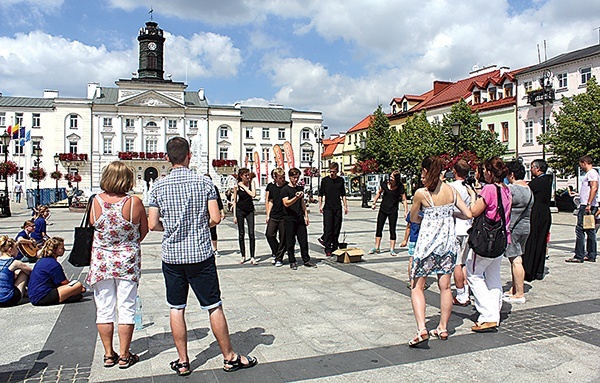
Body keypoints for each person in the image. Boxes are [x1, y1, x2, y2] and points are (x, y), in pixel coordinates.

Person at [148, 137, 257, 377]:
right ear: (189, 156)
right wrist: (197, 227)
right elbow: (216, 218)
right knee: (213, 305)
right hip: (200, 254)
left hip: (173, 257)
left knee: (176, 307)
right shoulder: (204, 183)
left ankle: (183, 360)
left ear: (167, 158)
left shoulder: (158, 187)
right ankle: (229, 357)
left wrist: (174, 228)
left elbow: (152, 223)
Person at [87, 161, 148, 369]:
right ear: (127, 179)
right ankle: (124, 354)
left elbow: (93, 225)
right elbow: (143, 231)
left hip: (101, 261)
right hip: (127, 261)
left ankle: (107, 354)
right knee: (127, 307)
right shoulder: (134, 203)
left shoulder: (95, 201)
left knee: (103, 308)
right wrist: (127, 242)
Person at [408, 156, 472, 346]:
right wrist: (451, 213)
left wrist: (426, 218)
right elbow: (467, 214)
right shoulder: (451, 191)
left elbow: (413, 218)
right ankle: (443, 327)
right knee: (445, 287)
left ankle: (422, 328)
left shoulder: (422, 193)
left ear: (426, 171)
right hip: (447, 245)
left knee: (417, 286)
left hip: (427, 246)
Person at [467, 157, 512, 333]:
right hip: (501, 238)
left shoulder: (489, 189)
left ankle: (487, 315)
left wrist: (472, 196)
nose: (483, 173)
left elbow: (474, 211)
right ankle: (494, 313)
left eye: (485, 170)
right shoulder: (506, 189)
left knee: (473, 273)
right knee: (493, 276)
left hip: (486, 240)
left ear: (491, 173)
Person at [503, 160, 533, 304]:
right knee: (517, 256)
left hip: (513, 227)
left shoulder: (512, 189)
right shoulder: (528, 189)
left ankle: (519, 293)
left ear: (512, 174)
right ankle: (514, 289)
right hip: (526, 226)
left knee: (515, 259)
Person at [28, 237, 85, 306]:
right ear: (54, 250)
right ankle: (67, 296)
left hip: (34, 296)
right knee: (77, 285)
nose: (64, 250)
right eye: (62, 248)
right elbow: (64, 282)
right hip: (44, 296)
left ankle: (68, 296)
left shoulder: (42, 260)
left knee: (75, 291)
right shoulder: (53, 264)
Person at [449, 160, 474, 306]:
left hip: (455, 227)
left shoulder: (451, 187)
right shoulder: (469, 187)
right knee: (464, 262)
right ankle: (466, 291)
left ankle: (460, 294)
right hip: (468, 226)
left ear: (455, 171)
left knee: (456, 263)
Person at [282, 167, 317, 269]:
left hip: (299, 217)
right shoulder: (285, 189)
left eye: (297, 177)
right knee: (290, 241)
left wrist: (306, 215)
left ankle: (306, 259)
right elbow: (286, 203)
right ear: (290, 177)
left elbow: (302, 203)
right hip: (289, 218)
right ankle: (292, 261)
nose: (296, 179)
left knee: (303, 240)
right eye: (294, 177)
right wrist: (295, 197)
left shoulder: (299, 188)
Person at [523, 159, 552, 279]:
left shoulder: (538, 182)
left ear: (538, 168)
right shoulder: (548, 180)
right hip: (545, 213)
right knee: (541, 242)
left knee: (533, 241)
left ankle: (530, 270)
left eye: (532, 168)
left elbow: (527, 189)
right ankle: (538, 270)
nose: (531, 170)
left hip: (537, 213)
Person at [566, 155, 599, 263]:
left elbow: (594, 187)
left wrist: (589, 203)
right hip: (587, 203)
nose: (580, 167)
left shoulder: (592, 173)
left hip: (586, 205)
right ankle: (591, 254)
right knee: (590, 230)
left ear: (584, 163)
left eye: (580, 164)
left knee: (580, 229)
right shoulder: (591, 173)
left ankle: (579, 255)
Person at [370, 170, 408, 255]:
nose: (390, 179)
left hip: (393, 210)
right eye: (390, 177)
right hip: (383, 209)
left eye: (392, 178)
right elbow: (379, 193)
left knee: (392, 229)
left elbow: (404, 199)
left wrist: (406, 211)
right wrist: (374, 202)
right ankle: (376, 247)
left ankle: (392, 249)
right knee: (379, 227)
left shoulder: (400, 187)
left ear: (396, 179)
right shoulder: (384, 184)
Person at [318, 162, 348, 257]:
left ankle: (335, 246)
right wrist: (320, 205)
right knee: (328, 228)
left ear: (337, 171)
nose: (331, 173)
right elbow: (320, 194)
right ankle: (327, 248)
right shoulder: (325, 180)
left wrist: (345, 206)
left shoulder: (340, 181)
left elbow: (343, 194)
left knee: (336, 229)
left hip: (337, 207)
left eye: (333, 172)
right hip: (327, 208)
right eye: (330, 171)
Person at [233, 168, 257, 265]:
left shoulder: (251, 183)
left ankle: (252, 256)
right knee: (241, 233)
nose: (248, 177)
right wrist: (234, 215)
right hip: (240, 210)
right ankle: (243, 255)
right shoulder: (236, 186)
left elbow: (253, 195)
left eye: (248, 175)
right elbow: (234, 201)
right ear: (241, 176)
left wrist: (244, 186)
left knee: (251, 233)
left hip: (249, 210)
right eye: (245, 175)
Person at [0, 236, 32, 307]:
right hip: (7, 299)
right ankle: (29, 291)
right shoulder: (14, 262)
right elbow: (31, 272)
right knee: (23, 272)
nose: (18, 251)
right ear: (10, 250)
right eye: (16, 249)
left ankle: (25, 291)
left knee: (12, 274)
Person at [266, 168, 287, 267]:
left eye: (283, 177)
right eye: (280, 178)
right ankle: (276, 252)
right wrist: (268, 214)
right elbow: (270, 201)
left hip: (285, 216)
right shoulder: (272, 187)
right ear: (275, 178)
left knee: (283, 238)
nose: (282, 179)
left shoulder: (287, 186)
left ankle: (279, 258)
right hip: (274, 215)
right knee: (269, 234)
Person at [206, 174, 225, 258]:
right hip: (203, 213)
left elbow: (218, 200)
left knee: (213, 231)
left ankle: (215, 249)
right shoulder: (200, 187)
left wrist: (222, 211)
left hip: (212, 212)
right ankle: (207, 249)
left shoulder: (214, 188)